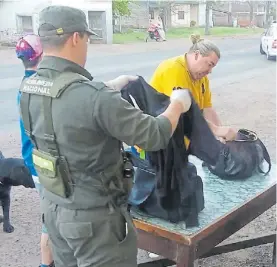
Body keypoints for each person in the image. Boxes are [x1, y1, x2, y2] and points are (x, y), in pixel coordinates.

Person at [18, 5, 192, 267]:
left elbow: (67, 105)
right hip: (95, 221)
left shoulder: (30, 88)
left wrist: (112, 85)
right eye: (87, 39)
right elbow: (154, 135)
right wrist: (178, 104)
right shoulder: (95, 98)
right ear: (76, 38)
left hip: (55, 210)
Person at [150, 34, 237, 143]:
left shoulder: (201, 77)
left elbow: (207, 108)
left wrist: (223, 134)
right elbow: (183, 115)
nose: (210, 71)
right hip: (159, 143)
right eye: (209, 64)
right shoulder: (173, 69)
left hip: (183, 141)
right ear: (196, 55)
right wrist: (216, 130)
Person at [15, 34, 55, 267]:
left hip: (33, 161)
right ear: (42, 55)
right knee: (50, 219)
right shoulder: (40, 87)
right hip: (43, 165)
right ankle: (45, 264)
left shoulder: (26, 85)